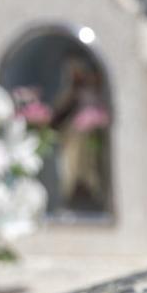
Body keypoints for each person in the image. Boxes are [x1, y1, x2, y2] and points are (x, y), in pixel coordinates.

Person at [49, 58, 111, 213]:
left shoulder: (95, 91)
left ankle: (95, 194)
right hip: (73, 138)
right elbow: (58, 115)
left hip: (90, 138)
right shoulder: (72, 93)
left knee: (91, 169)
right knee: (70, 166)